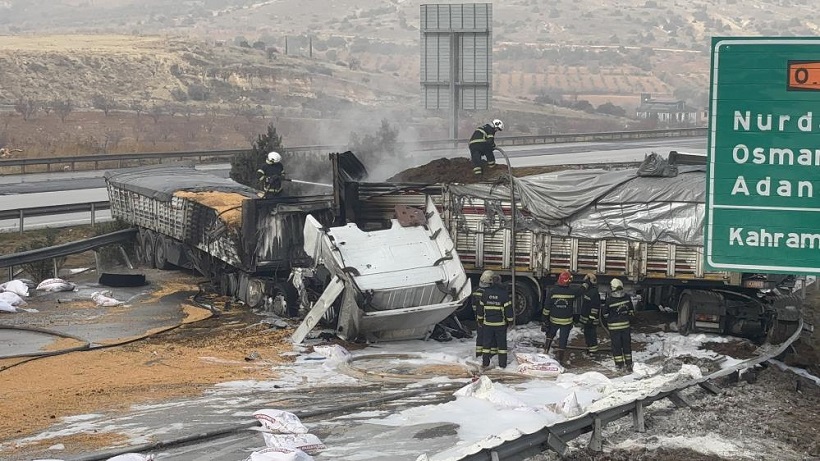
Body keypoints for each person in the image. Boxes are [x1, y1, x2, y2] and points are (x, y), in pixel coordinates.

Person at [542, 270, 581, 366]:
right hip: (566, 322)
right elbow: (581, 291)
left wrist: (544, 320)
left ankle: (545, 351)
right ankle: (560, 359)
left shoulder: (553, 292)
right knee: (563, 340)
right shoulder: (572, 292)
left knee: (550, 335)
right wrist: (588, 282)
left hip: (553, 320)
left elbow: (546, 307)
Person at [476, 274, 514, 369]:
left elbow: (480, 309)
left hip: (487, 324)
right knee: (502, 345)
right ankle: (502, 364)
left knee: (486, 344)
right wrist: (510, 321)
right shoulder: (504, 294)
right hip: (500, 324)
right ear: (500, 282)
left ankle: (485, 363)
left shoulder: (485, 293)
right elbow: (508, 310)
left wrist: (480, 320)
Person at [602, 278, 635, 373]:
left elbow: (604, 314)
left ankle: (619, 365)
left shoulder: (609, 300)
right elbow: (631, 311)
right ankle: (629, 363)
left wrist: (609, 321)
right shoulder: (627, 298)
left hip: (614, 327)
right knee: (626, 345)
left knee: (616, 346)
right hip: (625, 326)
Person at [472, 270, 495, 358]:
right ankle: (491, 354)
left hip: (478, 316)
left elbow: (473, 304)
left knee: (480, 336)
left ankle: (478, 354)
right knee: (490, 336)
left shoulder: (475, 290)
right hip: (488, 317)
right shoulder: (489, 292)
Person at [579, 272, 601, 356]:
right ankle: (590, 350)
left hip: (591, 320)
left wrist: (591, 319)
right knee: (588, 334)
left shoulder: (594, 293)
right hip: (587, 319)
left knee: (591, 335)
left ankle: (593, 352)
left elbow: (595, 307)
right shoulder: (590, 291)